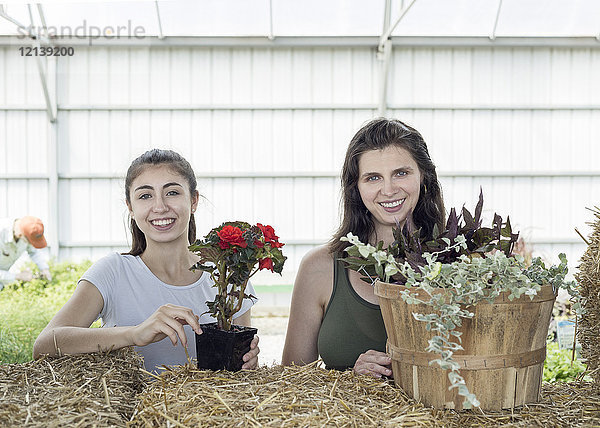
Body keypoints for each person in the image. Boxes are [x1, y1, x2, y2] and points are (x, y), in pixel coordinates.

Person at [34, 149, 259, 372]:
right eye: (145, 195)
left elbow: (240, 374)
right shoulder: (113, 272)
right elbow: (44, 345)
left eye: (172, 192)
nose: (160, 207)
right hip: (131, 407)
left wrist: (247, 361)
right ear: (130, 207)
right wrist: (135, 333)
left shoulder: (228, 271)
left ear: (193, 201)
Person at [282, 118, 445, 378]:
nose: (389, 190)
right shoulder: (318, 268)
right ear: (356, 188)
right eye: (373, 178)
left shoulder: (459, 264)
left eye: (401, 173)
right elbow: (291, 381)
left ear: (423, 176)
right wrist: (351, 379)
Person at [0, 216, 52, 287]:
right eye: (30, 242)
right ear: (20, 235)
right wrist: (18, 276)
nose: (31, 244)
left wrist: (44, 269)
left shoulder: (25, 231)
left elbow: (34, 252)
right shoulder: (2, 232)